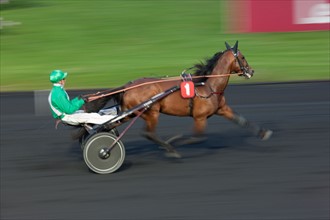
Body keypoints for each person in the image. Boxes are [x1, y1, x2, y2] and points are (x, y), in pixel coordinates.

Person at [48, 69, 117, 126]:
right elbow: (69, 110)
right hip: (67, 117)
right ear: (60, 81)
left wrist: (78, 99)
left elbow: (68, 104)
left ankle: (114, 112)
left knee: (92, 113)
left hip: (67, 115)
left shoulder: (57, 90)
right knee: (93, 117)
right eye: (64, 78)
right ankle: (115, 119)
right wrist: (81, 101)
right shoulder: (58, 94)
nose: (65, 80)